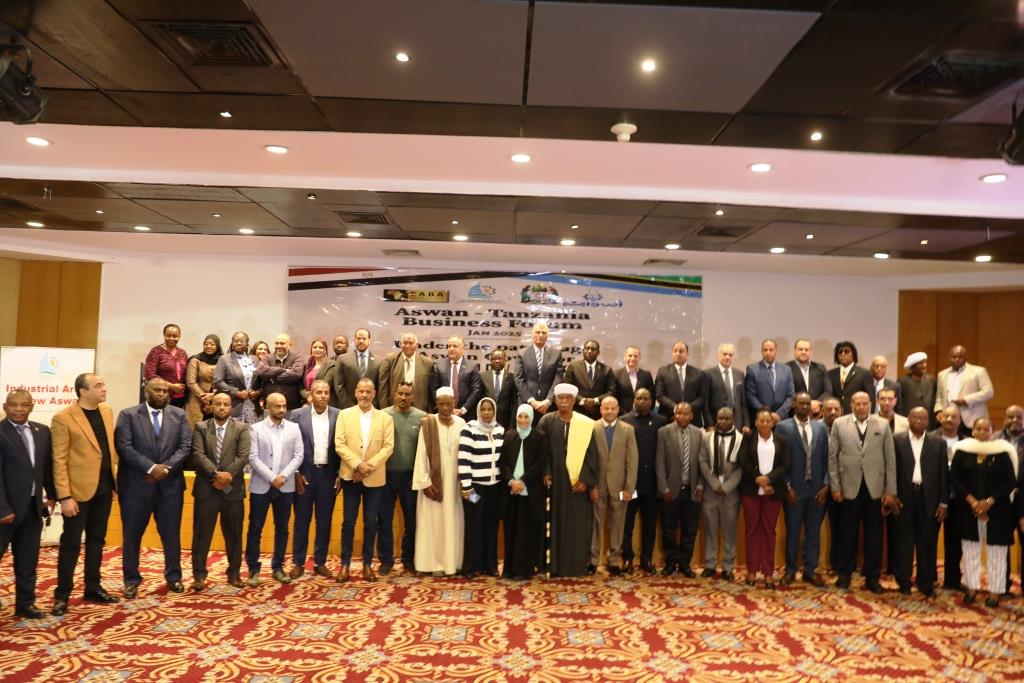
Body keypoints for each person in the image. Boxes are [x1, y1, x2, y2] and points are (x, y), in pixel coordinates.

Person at [115, 377, 192, 598]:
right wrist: (151, 468)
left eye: (165, 391)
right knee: (132, 535)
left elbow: (185, 446)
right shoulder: (128, 415)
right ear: (147, 392)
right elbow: (124, 447)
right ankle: (131, 580)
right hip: (136, 486)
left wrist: (164, 469)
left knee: (171, 535)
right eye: (156, 390)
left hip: (170, 487)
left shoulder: (179, 415)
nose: (161, 394)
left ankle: (174, 577)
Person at [50, 373, 120, 615]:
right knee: (71, 544)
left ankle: (93, 587)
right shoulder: (63, 418)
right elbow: (58, 460)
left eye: (103, 384)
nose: (104, 388)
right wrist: (64, 496)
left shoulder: (107, 411)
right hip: (77, 493)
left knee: (97, 541)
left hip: (104, 488)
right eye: (98, 385)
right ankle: (62, 594)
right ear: (83, 391)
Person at [828, 391, 896, 593]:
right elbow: (832, 457)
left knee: (874, 535)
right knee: (847, 534)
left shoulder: (882, 425)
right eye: (857, 403)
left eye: (864, 403)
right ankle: (844, 575)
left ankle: (872, 577)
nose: (860, 407)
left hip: (875, 489)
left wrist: (890, 490)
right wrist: (835, 486)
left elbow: (890, 459)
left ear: (871, 404)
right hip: (848, 487)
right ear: (851, 405)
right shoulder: (839, 424)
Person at [949, 418, 1017, 607]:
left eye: (986, 429)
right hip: (968, 508)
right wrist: (972, 501)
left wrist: (989, 502)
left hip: (998, 509)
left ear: (992, 431)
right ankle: (971, 588)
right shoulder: (962, 450)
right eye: (978, 429)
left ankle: (995, 592)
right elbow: (954, 478)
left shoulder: (1002, 452)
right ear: (972, 431)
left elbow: (1011, 482)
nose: (981, 432)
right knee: (970, 550)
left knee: (997, 552)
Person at [0, 390, 55, 619]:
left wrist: (52, 495)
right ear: (5, 407)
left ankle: (25, 604)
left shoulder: (42, 431)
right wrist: (3, 509)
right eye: (13, 405)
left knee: (27, 559)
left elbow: (47, 467)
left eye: (24, 405)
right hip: (5, 511)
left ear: (32, 407)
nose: (19, 409)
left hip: (32, 508)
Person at [335, 378, 394, 582]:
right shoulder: (344, 415)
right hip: (351, 477)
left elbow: (388, 447)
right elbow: (339, 444)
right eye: (361, 391)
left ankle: (367, 564)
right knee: (348, 522)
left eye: (368, 392)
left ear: (374, 393)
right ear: (355, 392)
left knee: (371, 522)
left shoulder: (385, 418)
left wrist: (367, 467)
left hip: (374, 478)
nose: (364, 395)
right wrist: (357, 465)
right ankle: (345, 564)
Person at [190, 393, 249, 590]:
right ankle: (199, 575)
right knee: (201, 535)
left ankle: (234, 573)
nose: (222, 407)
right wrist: (215, 475)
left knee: (234, 535)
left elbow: (243, 456)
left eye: (226, 404)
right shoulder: (201, 427)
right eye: (218, 404)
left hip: (232, 490)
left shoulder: (241, 428)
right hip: (206, 489)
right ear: (211, 406)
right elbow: (198, 455)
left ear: (231, 408)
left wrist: (225, 477)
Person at [540, 383, 600, 577]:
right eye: (561, 398)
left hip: (577, 486)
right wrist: (545, 471)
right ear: (555, 400)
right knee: (555, 524)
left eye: (568, 398)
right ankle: (554, 567)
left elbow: (592, 454)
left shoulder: (585, 423)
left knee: (577, 526)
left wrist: (585, 480)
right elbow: (541, 450)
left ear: (574, 401)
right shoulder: (546, 421)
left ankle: (576, 566)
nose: (564, 401)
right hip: (554, 483)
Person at [245, 393, 304, 586]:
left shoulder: (294, 428)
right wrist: (272, 478)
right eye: (277, 406)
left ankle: (278, 567)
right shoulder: (256, 429)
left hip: (285, 486)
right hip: (261, 486)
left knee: (282, 529)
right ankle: (253, 569)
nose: (282, 410)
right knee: (255, 528)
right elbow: (253, 457)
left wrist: (283, 477)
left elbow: (298, 456)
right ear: (267, 407)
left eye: (284, 406)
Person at [892, 407, 948, 597]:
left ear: (928, 421)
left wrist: (943, 503)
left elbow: (943, 474)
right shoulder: (897, 440)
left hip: (929, 499)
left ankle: (925, 582)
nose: (919, 421)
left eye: (923, 418)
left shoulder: (938, 443)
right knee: (904, 542)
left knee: (928, 542)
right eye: (915, 417)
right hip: (903, 498)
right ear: (908, 418)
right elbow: (892, 469)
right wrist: (892, 494)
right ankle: (904, 581)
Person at [776, 392, 830, 587]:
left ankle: (810, 570)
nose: (805, 406)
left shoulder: (820, 428)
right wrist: (787, 486)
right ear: (794, 404)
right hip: (794, 490)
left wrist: (826, 484)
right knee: (792, 532)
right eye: (801, 403)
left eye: (808, 403)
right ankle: (790, 570)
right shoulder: (783, 427)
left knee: (813, 533)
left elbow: (827, 457)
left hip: (817, 490)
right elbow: (779, 460)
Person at [288, 380, 340, 579]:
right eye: (319, 392)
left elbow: (342, 446)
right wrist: (295, 472)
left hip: (328, 475)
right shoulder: (297, 415)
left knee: (324, 521)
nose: (323, 396)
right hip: (304, 475)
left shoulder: (338, 415)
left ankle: (320, 562)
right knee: (302, 520)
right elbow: (289, 445)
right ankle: (298, 562)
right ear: (310, 395)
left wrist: (340, 474)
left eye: (326, 392)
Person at [412, 387, 466, 575]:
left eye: (448, 404)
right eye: (441, 404)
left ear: (454, 403)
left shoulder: (462, 424)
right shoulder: (428, 423)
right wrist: (425, 482)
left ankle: (452, 563)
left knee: (453, 523)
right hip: (433, 483)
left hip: (455, 484)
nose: (445, 408)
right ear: (436, 404)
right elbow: (421, 454)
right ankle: (432, 564)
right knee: (432, 525)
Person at [738, 408, 790, 589]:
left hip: (772, 492)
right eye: (761, 420)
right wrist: (758, 479)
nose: (765, 423)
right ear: (756, 422)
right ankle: (752, 570)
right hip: (751, 491)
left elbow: (785, 464)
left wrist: (768, 480)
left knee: (769, 531)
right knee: (751, 530)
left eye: (768, 421)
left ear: (773, 423)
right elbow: (743, 460)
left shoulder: (781, 440)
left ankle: (768, 572)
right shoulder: (748, 438)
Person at [380, 381, 426, 575]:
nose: (403, 397)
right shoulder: (383, 415)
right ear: (394, 395)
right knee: (384, 520)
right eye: (400, 393)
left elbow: (425, 450)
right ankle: (386, 560)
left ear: (413, 397)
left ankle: (408, 559)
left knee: (412, 522)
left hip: (410, 478)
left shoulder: (422, 417)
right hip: (386, 476)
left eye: (407, 394)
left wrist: (418, 475)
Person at [656, 402, 706, 577]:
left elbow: (703, 462)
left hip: (693, 490)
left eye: (686, 414)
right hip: (670, 490)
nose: (682, 416)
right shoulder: (663, 432)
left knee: (690, 530)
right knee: (668, 529)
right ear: (674, 415)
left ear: (692, 416)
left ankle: (685, 563)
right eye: (679, 413)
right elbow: (659, 462)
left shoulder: (699, 433)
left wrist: (701, 484)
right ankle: (670, 563)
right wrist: (663, 487)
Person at [590, 396, 638, 575]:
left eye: (612, 408)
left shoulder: (628, 430)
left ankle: (614, 561)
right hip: (598, 485)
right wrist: (591, 485)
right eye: (606, 408)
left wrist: (629, 488)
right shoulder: (592, 428)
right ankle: (593, 560)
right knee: (596, 523)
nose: (609, 411)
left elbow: (632, 461)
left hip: (620, 487)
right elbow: (589, 459)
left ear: (618, 409)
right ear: (600, 409)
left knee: (617, 524)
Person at [458, 396, 505, 578]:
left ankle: (490, 565)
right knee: (474, 525)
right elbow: (463, 459)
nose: (486, 413)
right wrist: (466, 486)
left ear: (494, 411)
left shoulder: (499, 429)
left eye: (489, 409)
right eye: (483, 409)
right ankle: (471, 567)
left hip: (494, 488)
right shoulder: (469, 429)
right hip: (475, 489)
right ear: (478, 411)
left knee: (491, 526)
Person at [620, 388, 665, 574]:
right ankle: (627, 559)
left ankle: (646, 559)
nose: (642, 401)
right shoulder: (624, 421)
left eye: (646, 398)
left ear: (652, 401)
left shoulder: (661, 422)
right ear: (634, 400)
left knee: (649, 524)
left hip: (652, 484)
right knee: (626, 524)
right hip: (629, 484)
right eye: (638, 398)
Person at [500, 404, 545, 580]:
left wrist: (523, 481)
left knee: (526, 533)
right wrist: (512, 481)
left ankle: (524, 570)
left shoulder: (539, 437)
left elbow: (539, 464)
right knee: (511, 531)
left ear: (532, 418)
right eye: (520, 416)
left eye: (526, 417)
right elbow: (503, 463)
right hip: (511, 492)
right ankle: (509, 570)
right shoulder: (509, 436)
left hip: (530, 492)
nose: (523, 420)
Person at [698, 406, 743, 581]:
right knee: (710, 531)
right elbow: (702, 461)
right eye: (720, 418)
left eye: (727, 418)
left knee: (729, 532)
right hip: (711, 491)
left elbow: (741, 467)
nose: (723, 421)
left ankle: (728, 567)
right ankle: (710, 564)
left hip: (730, 494)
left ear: (733, 419)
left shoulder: (741, 439)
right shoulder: (706, 437)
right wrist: (714, 484)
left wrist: (727, 486)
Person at [931, 405, 964, 590]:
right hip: (933, 497)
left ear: (960, 420)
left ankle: (952, 580)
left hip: (958, 498)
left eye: (954, 417)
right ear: (940, 418)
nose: (950, 420)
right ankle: (928, 577)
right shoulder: (929, 438)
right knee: (929, 538)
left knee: (954, 540)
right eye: (946, 416)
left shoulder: (967, 442)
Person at [935, 345, 994, 439]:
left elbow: (988, 392)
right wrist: (939, 410)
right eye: (954, 357)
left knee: (972, 445)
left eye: (960, 357)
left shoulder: (978, 371)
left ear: (965, 357)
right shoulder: (942, 374)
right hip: (950, 419)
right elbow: (939, 396)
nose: (957, 359)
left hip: (971, 418)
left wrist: (966, 400)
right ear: (950, 358)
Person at [514, 322, 564, 424]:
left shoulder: (556, 354)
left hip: (548, 405)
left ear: (547, 336)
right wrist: (532, 401)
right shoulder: (522, 353)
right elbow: (518, 379)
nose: (540, 335)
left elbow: (558, 378)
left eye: (543, 333)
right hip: (527, 403)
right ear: (532, 334)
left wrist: (548, 400)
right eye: (537, 332)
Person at [999, 405, 1024, 595]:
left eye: (1019, 417)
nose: (1014, 420)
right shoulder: (994, 440)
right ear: (1004, 419)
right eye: (1010, 416)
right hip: (1002, 501)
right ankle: (1002, 585)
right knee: (1001, 546)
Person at [429, 335, 484, 420]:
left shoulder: (472, 366)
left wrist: (463, 409)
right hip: (443, 413)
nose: (451, 349)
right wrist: (442, 407)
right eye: (449, 346)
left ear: (462, 348)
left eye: (455, 346)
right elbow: (434, 388)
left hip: (465, 414)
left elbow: (476, 390)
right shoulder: (439, 365)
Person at [213, 331, 262, 424]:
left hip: (253, 406)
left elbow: (261, 381)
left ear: (247, 345)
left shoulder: (255, 359)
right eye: (236, 341)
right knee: (234, 432)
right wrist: (237, 393)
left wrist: (257, 392)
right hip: (234, 406)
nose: (239, 343)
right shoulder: (224, 359)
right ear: (232, 344)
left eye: (242, 341)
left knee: (253, 432)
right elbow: (218, 381)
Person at [655, 341, 708, 427]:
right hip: (668, 418)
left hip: (693, 419)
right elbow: (660, 395)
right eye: (675, 351)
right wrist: (676, 408)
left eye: (681, 351)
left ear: (687, 354)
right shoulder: (663, 371)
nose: (677, 353)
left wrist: (687, 409)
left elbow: (702, 397)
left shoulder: (699, 373)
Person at [378, 332, 433, 412]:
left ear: (417, 345)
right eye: (405, 343)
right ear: (400, 344)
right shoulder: (390, 360)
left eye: (411, 343)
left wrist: (429, 412)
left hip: (419, 409)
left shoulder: (427, 363)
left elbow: (430, 392)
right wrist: (385, 410)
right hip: (395, 409)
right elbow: (383, 387)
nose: (407, 346)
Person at [744, 338, 795, 424]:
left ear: (776, 351)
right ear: (761, 351)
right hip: (762, 419)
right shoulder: (752, 369)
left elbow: (790, 395)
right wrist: (766, 414)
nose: (768, 352)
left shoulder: (786, 370)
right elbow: (750, 395)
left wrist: (779, 414)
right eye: (765, 350)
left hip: (782, 419)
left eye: (771, 350)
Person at [819, 396, 843, 572]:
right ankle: (810, 566)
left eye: (836, 409)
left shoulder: (847, 428)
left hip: (839, 487)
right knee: (813, 528)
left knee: (839, 528)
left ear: (841, 411)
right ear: (822, 411)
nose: (833, 412)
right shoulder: (815, 428)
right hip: (818, 487)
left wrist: (832, 484)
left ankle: (837, 564)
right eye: (828, 409)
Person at [564, 339, 615, 420]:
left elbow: (611, 392)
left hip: (598, 414)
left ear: (598, 352)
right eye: (587, 348)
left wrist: (595, 400)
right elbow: (568, 388)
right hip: (577, 412)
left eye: (593, 349)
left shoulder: (607, 369)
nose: (589, 351)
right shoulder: (573, 367)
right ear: (583, 351)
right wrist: (582, 400)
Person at [333, 328, 381, 409]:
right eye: (358, 338)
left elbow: (380, 387)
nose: (361, 341)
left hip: (372, 408)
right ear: (354, 340)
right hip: (348, 408)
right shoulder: (342, 359)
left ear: (369, 341)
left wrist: (373, 406)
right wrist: (350, 407)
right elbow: (339, 386)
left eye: (364, 338)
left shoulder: (379, 361)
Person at [144, 323, 189, 408]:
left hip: (181, 397)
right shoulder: (156, 352)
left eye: (175, 336)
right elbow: (150, 375)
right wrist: (171, 386)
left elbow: (187, 372)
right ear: (164, 335)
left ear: (179, 336)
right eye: (168, 336)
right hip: (161, 395)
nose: (171, 338)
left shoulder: (182, 353)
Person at [705, 343, 747, 433]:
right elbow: (705, 403)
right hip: (717, 421)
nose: (727, 357)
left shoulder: (739, 374)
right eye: (724, 354)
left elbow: (743, 402)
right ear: (718, 355)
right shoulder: (708, 374)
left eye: (730, 355)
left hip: (737, 422)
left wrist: (746, 424)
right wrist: (709, 424)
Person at [257, 333, 305, 411]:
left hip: (292, 407)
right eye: (277, 343)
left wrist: (272, 378)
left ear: (290, 345)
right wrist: (284, 370)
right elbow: (262, 371)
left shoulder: (297, 357)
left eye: (282, 343)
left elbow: (296, 374)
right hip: (270, 406)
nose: (279, 346)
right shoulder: (267, 357)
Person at [185, 334, 223, 428]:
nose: (208, 346)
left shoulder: (223, 360)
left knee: (215, 431)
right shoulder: (196, 359)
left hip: (217, 400)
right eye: (206, 344)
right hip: (196, 400)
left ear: (217, 346)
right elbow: (191, 382)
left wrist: (213, 395)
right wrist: (205, 398)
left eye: (212, 344)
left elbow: (225, 381)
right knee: (195, 430)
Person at [826, 341, 869, 414]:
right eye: (840, 352)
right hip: (835, 414)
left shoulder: (864, 373)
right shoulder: (830, 374)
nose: (843, 354)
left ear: (853, 354)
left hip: (856, 414)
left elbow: (869, 397)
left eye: (846, 351)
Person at [612, 345, 654, 419]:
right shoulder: (616, 374)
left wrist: (645, 412)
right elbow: (613, 396)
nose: (632, 358)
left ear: (639, 358)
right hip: (621, 416)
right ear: (625, 357)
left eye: (635, 356)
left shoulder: (646, 375)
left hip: (643, 417)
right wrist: (626, 415)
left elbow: (652, 396)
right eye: (630, 356)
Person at [898, 352, 937, 429]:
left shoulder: (931, 380)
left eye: (925, 362)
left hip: (928, 422)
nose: (924, 365)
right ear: (912, 366)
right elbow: (899, 403)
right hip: (908, 421)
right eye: (920, 363)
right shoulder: (902, 381)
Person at [480, 349, 517, 429]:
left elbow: (514, 403)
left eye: (500, 358)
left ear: (505, 360)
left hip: (505, 422)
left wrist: (512, 425)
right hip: (485, 421)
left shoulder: (512, 377)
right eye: (494, 359)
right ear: (490, 360)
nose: (497, 361)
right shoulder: (483, 376)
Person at [300, 337, 336, 406]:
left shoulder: (332, 365)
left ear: (325, 350)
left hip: (324, 402)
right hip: (307, 402)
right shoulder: (307, 365)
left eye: (321, 347)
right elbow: (301, 385)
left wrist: (312, 396)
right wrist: (307, 396)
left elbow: (325, 384)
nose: (317, 349)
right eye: (314, 347)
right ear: (311, 350)